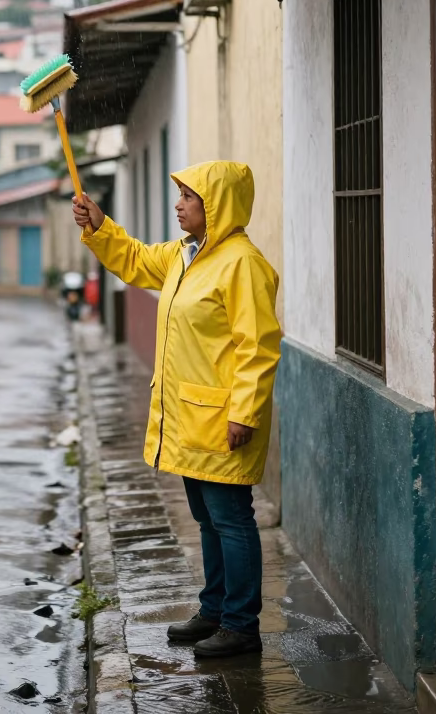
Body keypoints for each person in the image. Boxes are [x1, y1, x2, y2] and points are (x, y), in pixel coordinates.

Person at [72, 161, 281, 658]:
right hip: (189, 418)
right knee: (207, 519)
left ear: (218, 205)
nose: (179, 204)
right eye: (181, 195)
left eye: (189, 196)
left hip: (223, 419)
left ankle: (241, 625)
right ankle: (214, 609)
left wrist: (244, 414)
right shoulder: (185, 256)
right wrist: (100, 226)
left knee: (232, 519)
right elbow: (136, 259)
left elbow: (259, 346)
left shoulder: (241, 264)